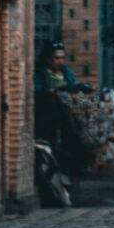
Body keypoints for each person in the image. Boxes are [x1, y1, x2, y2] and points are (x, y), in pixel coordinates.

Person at [34, 41, 91, 184]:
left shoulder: (65, 72)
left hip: (66, 115)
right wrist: (51, 92)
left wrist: (80, 88)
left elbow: (73, 86)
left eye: (62, 58)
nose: (60, 61)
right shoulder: (40, 73)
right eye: (56, 58)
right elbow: (38, 90)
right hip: (47, 116)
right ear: (47, 59)